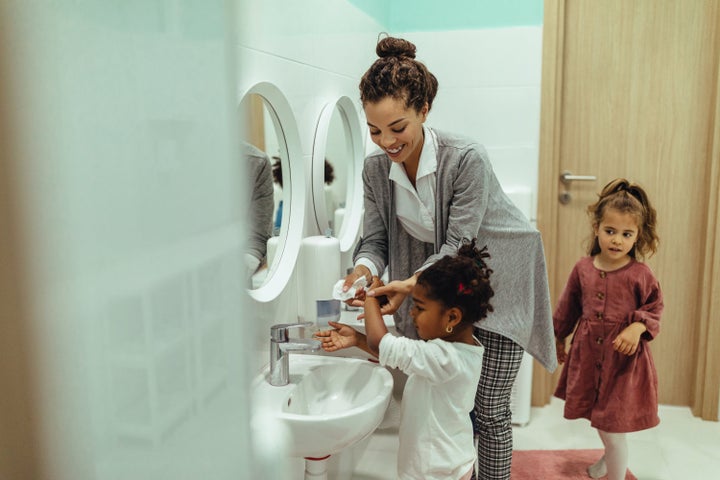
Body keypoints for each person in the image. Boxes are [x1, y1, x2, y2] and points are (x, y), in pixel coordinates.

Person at [330, 35, 558, 480]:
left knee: (490, 409)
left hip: (501, 271)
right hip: (438, 282)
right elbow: (375, 239)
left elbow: (459, 243)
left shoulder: (465, 158)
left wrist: (407, 285)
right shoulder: (376, 169)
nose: (386, 142)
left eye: (398, 127)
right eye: (375, 131)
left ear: (424, 110)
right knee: (451, 398)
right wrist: (364, 270)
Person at [317, 239, 493, 480]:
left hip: (437, 472)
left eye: (419, 307)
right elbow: (406, 358)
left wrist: (371, 296)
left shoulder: (446, 358)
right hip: (448, 463)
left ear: (451, 317)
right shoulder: (453, 352)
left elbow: (382, 343)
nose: (411, 313)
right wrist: (358, 340)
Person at [553, 178, 663, 480]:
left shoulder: (640, 274)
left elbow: (655, 308)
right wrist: (558, 337)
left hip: (623, 365)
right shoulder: (583, 269)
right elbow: (568, 308)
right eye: (610, 231)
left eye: (626, 234)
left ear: (638, 236)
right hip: (589, 357)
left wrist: (637, 327)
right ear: (597, 228)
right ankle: (607, 458)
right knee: (601, 422)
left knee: (614, 429)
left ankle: (614, 472)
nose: (617, 240)